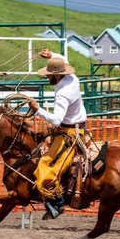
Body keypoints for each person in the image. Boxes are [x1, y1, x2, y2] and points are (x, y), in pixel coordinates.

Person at [28, 49, 87, 219]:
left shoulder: (63, 94)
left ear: (57, 76)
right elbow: (63, 60)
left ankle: (59, 203)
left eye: (49, 76)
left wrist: (37, 109)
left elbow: (56, 119)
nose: (47, 78)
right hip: (69, 127)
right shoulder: (72, 79)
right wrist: (52, 55)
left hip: (70, 133)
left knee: (46, 165)